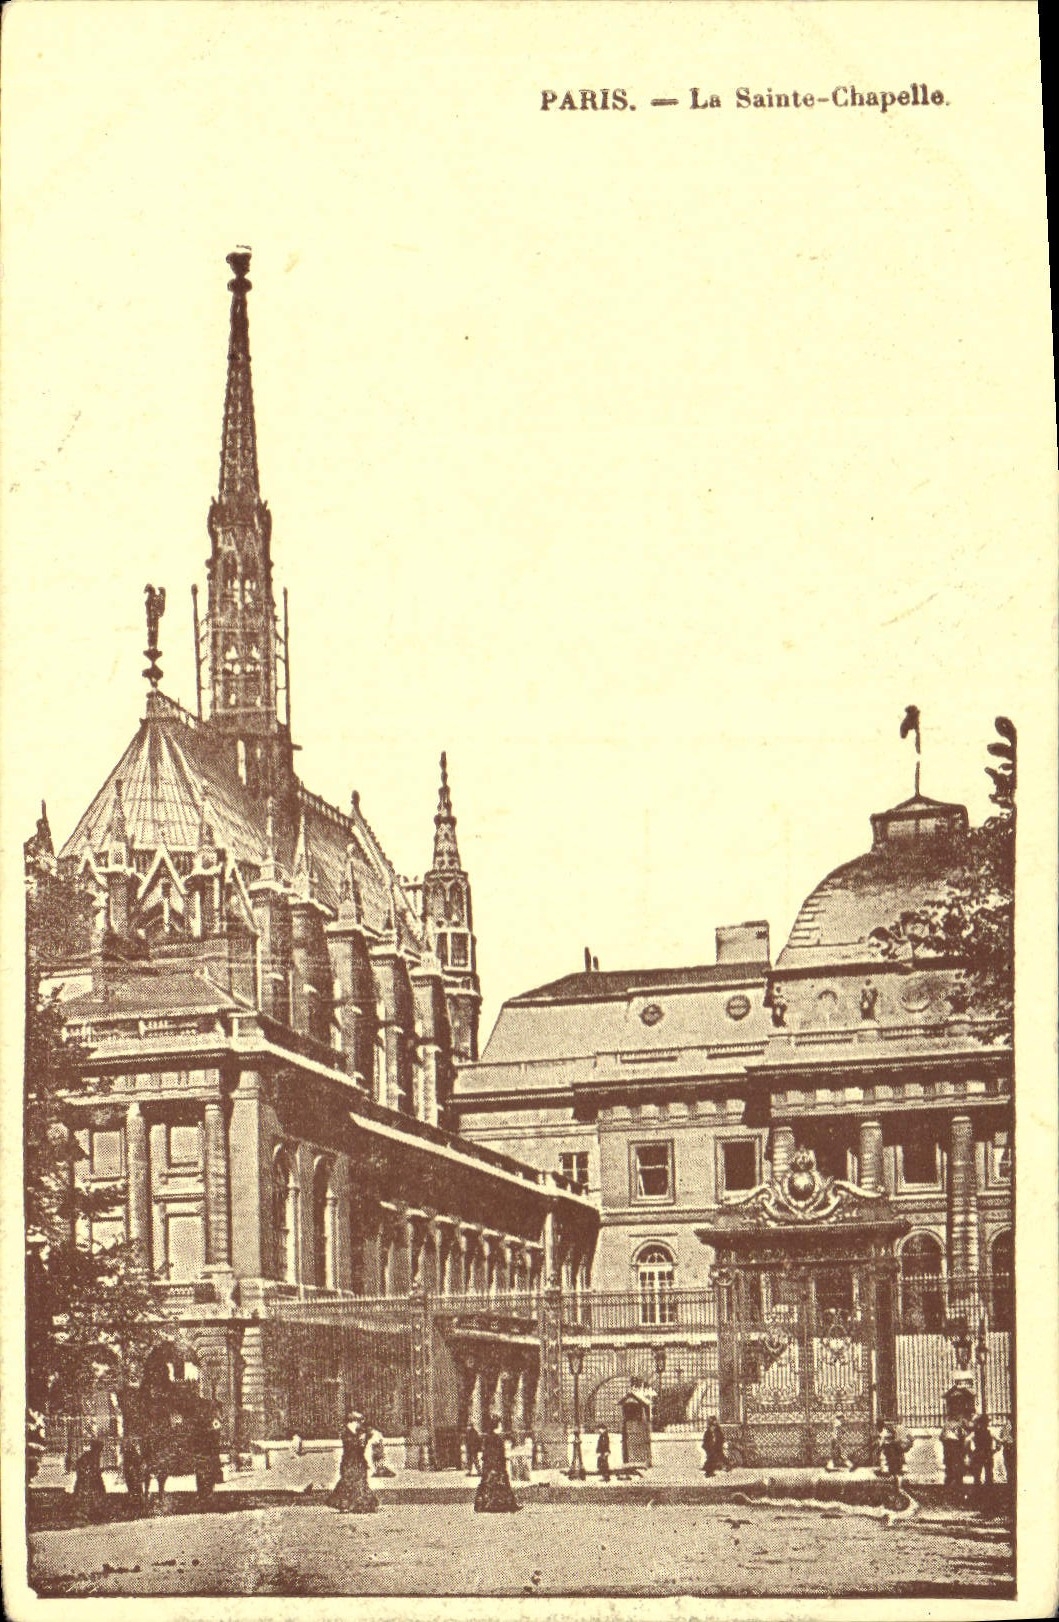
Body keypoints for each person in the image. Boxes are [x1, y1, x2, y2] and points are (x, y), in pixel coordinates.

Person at [328, 1411, 378, 1513]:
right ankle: (350, 1505)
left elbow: (370, 1434)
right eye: (359, 1421)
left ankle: (358, 1505)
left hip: (359, 1461)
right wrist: (360, 1440)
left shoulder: (359, 1432)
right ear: (353, 1421)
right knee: (349, 1482)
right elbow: (351, 1446)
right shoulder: (346, 1432)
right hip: (349, 1461)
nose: (360, 1424)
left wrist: (364, 1438)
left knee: (359, 1481)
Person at [474, 1415, 520, 1513]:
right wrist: (500, 1463)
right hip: (496, 1464)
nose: (501, 1426)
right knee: (500, 1484)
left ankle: (486, 1505)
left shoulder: (488, 1437)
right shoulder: (497, 1438)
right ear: (497, 1425)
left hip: (489, 1465)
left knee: (488, 1484)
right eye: (500, 1424)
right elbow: (499, 1453)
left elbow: (485, 1452)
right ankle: (504, 1505)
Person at [71, 1436, 109, 1521]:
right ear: (95, 1448)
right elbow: (79, 1466)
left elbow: (95, 1468)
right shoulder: (87, 1455)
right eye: (99, 1449)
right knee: (88, 1495)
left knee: (99, 1493)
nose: (100, 1451)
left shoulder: (96, 1456)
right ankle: (86, 1513)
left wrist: (98, 1471)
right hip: (87, 1479)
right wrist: (86, 1472)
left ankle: (97, 1511)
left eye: (100, 1449)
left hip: (95, 1478)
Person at [969, 1411, 997, 1489]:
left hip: (978, 1453)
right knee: (988, 1472)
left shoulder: (975, 1433)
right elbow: (999, 1441)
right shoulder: (990, 1432)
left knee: (978, 1473)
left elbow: (968, 1441)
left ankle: (978, 1488)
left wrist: (971, 1451)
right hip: (987, 1453)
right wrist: (995, 1450)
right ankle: (988, 1488)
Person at [940, 1420, 966, 1488]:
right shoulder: (959, 1424)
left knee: (949, 1465)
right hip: (955, 1447)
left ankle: (949, 1482)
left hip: (948, 1447)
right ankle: (958, 1481)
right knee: (957, 1464)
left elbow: (941, 1437)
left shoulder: (946, 1424)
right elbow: (963, 1436)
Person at [995, 1417, 1015, 1487]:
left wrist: (1000, 1441)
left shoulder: (1008, 1427)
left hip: (1009, 1447)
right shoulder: (1005, 1427)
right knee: (1008, 1463)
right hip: (1007, 1447)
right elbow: (1001, 1438)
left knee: (1009, 1463)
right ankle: (1010, 1478)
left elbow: (1002, 1439)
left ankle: (1010, 1478)